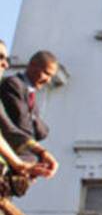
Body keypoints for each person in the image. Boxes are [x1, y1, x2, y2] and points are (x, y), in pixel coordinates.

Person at [0, 44, 58, 197]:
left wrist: (24, 163)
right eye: (46, 72)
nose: (5, 64)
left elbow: (41, 132)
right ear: (32, 65)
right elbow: (20, 125)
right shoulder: (13, 84)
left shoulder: (31, 95)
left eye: (6, 59)